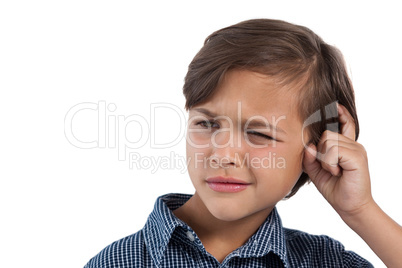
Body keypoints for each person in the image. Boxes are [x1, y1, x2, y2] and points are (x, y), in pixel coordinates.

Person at [84, 19, 402, 267]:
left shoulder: (325, 261)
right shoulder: (116, 262)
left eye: (260, 134)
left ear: (318, 149)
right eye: (207, 124)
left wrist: (360, 210)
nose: (223, 154)